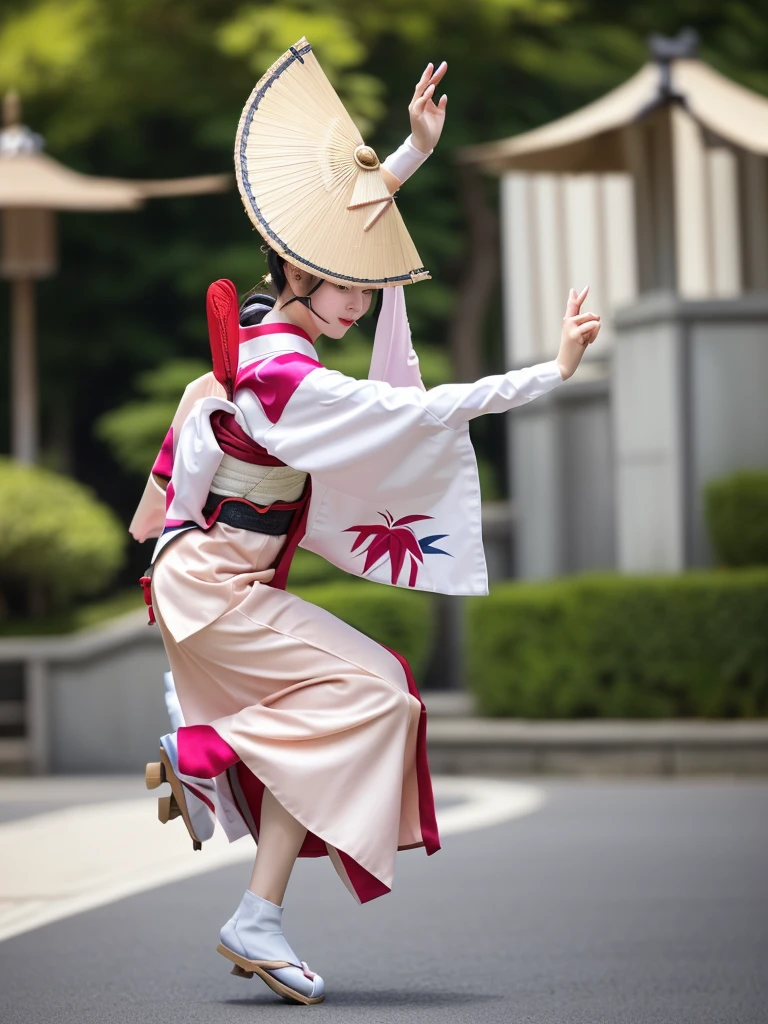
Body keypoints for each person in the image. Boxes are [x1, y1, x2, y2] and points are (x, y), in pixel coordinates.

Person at [130, 39, 600, 1007]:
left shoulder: (266, 331)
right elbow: (423, 410)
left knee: (358, 708)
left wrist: (410, 156)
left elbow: (334, 241)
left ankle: (258, 910)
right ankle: (210, 751)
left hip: (207, 582)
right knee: (379, 694)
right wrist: (549, 374)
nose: (361, 297)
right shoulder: (290, 379)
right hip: (215, 590)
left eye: (361, 283)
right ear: (302, 276)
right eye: (347, 285)